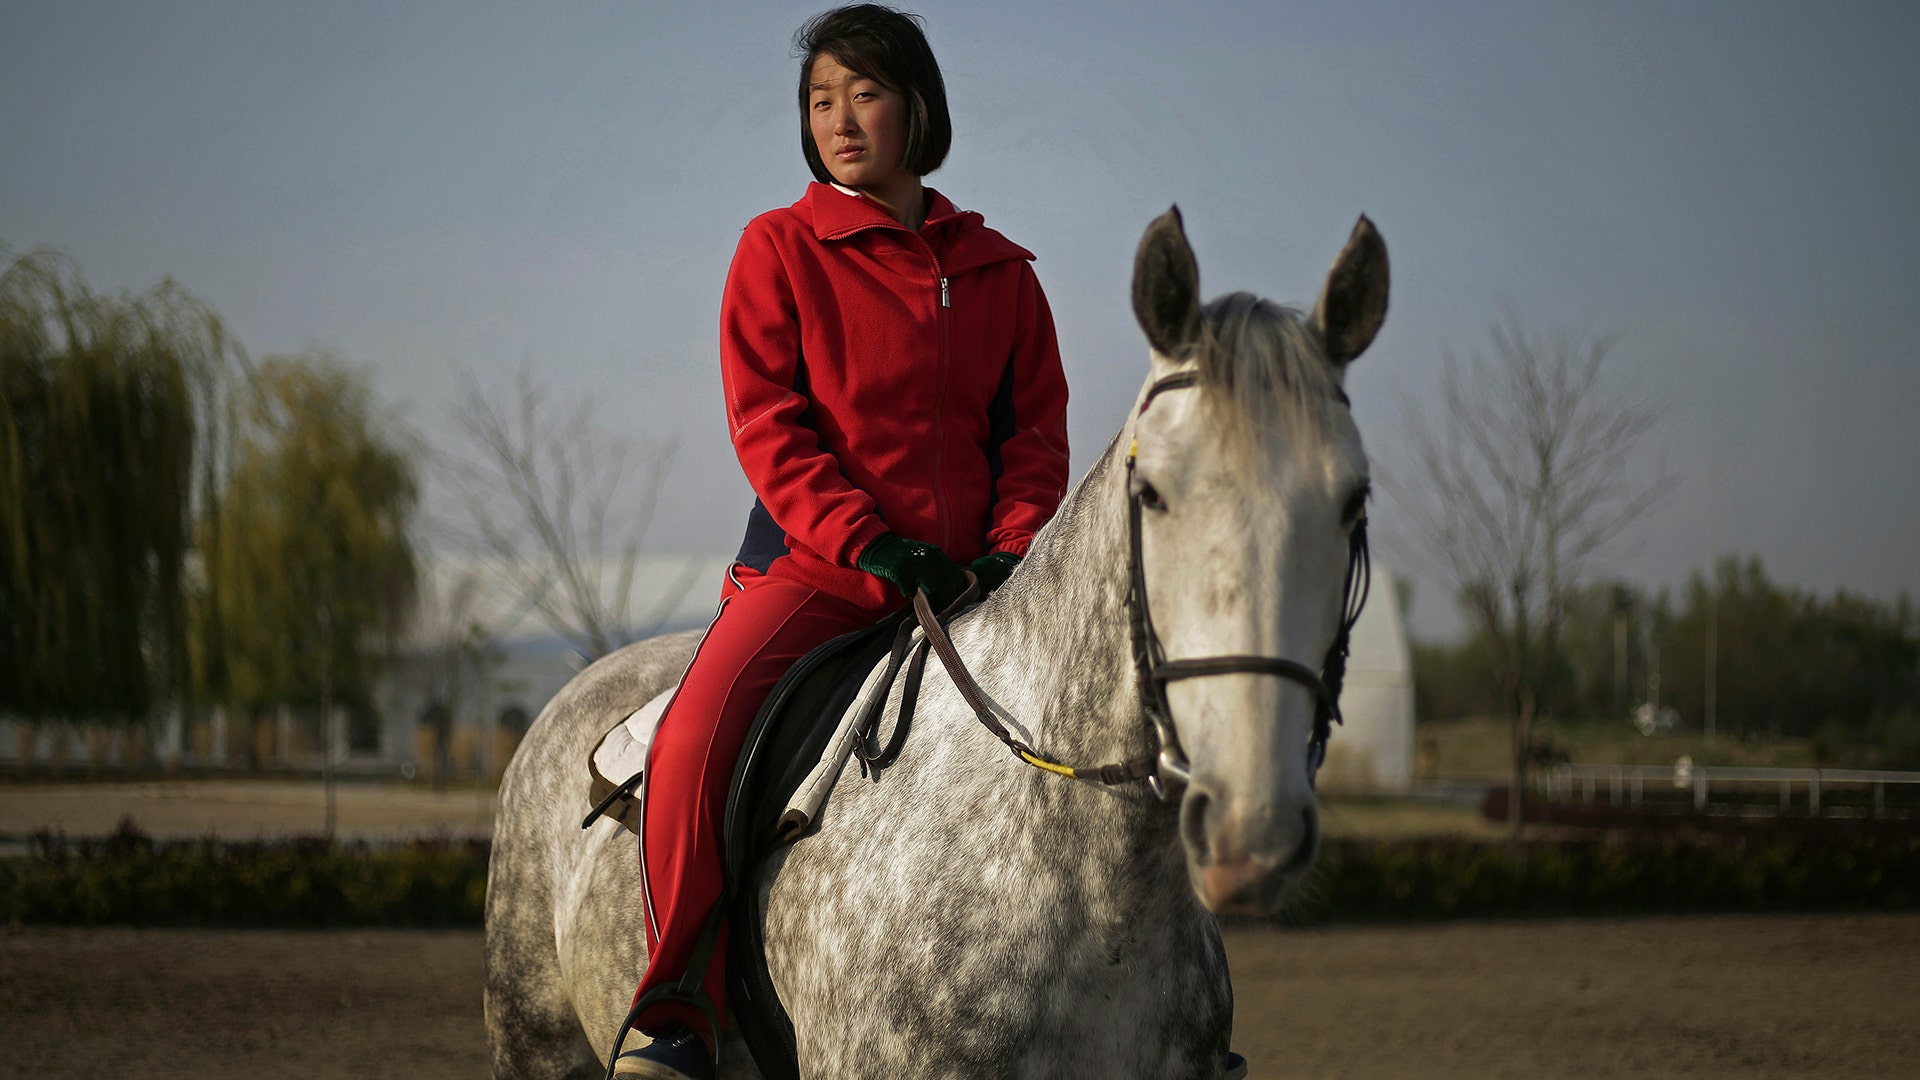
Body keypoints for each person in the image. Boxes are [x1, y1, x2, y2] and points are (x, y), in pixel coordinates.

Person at [612, 6, 1070, 1078]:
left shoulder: (1004, 274)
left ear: (919, 107)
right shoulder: (777, 249)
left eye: (864, 93)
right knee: (688, 744)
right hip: (818, 573)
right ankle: (675, 1011)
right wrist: (871, 544)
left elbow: (1034, 436)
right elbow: (769, 428)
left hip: (977, 585)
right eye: (822, 100)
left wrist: (1009, 553)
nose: (840, 119)